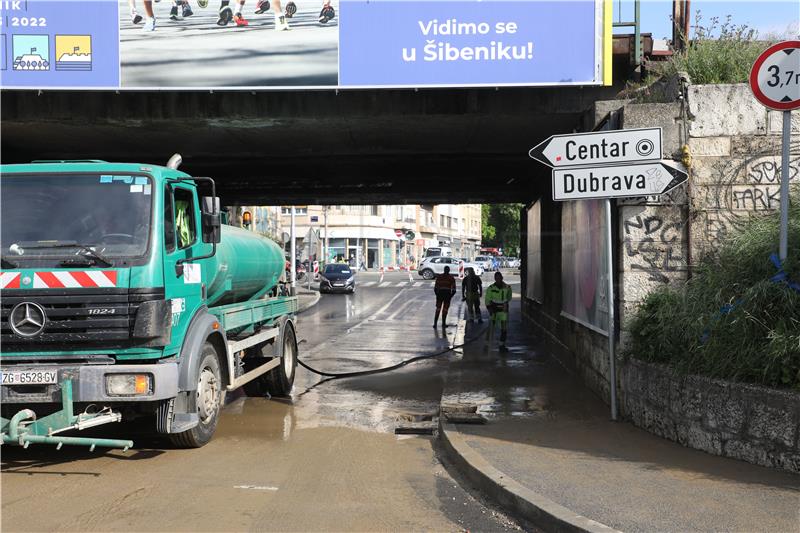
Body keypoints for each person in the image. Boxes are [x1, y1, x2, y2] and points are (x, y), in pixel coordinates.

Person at [485, 271, 512, 350]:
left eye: (499, 278)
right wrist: (490, 309)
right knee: (490, 328)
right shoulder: (491, 288)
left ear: (502, 278)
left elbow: (509, 298)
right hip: (494, 311)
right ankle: (487, 345)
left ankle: (502, 345)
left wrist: (505, 306)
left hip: (503, 311)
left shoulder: (508, 288)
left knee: (504, 329)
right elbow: (487, 300)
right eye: (496, 278)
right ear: (494, 279)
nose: (498, 280)